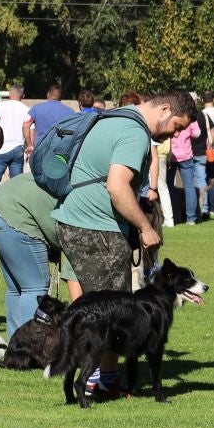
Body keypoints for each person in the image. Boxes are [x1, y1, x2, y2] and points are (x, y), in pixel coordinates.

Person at [54, 92, 196, 295]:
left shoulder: (118, 117)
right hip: (96, 228)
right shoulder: (135, 132)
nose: (176, 135)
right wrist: (146, 228)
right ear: (164, 110)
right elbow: (117, 187)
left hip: (81, 223)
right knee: (115, 309)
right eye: (177, 126)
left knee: (98, 307)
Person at [0, 163, 74, 338]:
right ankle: (30, 346)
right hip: (16, 213)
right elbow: (64, 235)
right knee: (35, 287)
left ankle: (15, 345)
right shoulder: (80, 189)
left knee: (15, 288)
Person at [0, 83, 33, 186]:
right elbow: (31, 131)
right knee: (16, 184)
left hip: (2, 149)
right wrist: (30, 147)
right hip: (18, 150)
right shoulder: (27, 110)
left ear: (9, 94)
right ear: (23, 96)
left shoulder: (2, 105)